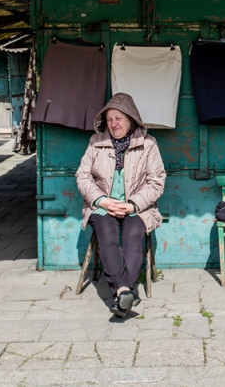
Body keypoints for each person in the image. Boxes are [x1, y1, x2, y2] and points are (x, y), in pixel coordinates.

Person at [76, 93, 166, 317]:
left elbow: (157, 181)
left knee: (134, 234)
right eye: (109, 119)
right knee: (106, 233)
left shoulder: (148, 144)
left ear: (131, 119)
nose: (113, 124)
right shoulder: (96, 143)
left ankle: (120, 293)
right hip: (103, 206)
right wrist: (102, 201)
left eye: (118, 118)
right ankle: (125, 291)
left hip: (136, 207)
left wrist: (133, 205)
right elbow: (82, 176)